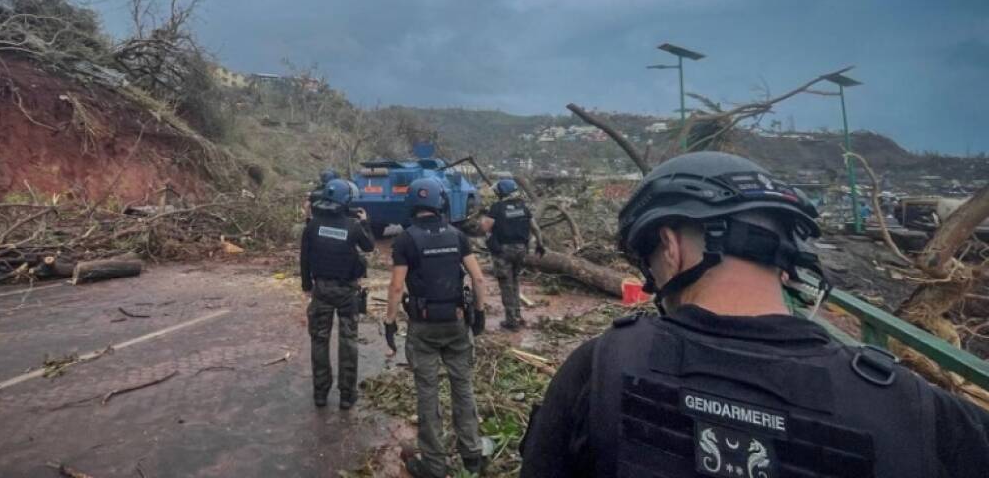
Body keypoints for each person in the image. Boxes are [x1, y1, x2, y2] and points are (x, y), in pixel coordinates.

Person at [519, 151, 989, 478]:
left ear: (670, 245)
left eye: (649, 262)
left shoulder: (600, 368)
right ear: (787, 255)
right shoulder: (915, 409)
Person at [384, 177, 490, 477]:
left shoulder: (406, 239)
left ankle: (434, 464)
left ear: (413, 205)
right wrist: (479, 314)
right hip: (457, 323)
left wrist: (389, 323)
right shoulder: (457, 236)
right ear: (439, 202)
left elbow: (395, 287)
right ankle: (472, 455)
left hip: (424, 327)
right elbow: (479, 279)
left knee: (427, 393)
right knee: (463, 388)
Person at [300, 178, 374, 409]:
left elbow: (304, 258)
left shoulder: (312, 225)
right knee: (348, 341)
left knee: (319, 340)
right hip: (347, 292)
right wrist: (365, 223)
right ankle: (346, 395)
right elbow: (369, 246)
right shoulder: (352, 227)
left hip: (320, 289)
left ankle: (320, 394)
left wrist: (306, 286)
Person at [479, 178, 545, 331]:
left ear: (501, 192)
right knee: (515, 281)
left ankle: (512, 322)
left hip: (503, 251)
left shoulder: (497, 207)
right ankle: (517, 315)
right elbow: (535, 228)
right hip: (521, 250)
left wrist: (486, 232)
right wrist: (540, 245)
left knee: (506, 285)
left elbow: (484, 227)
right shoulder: (523, 207)